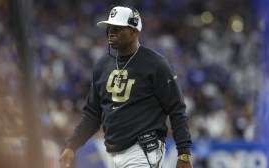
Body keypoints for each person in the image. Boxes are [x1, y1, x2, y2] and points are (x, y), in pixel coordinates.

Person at [59, 6, 193, 168]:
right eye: (109, 28)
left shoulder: (157, 65)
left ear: (134, 32)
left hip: (144, 149)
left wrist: (184, 152)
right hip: (112, 151)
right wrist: (72, 145)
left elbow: (176, 110)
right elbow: (92, 114)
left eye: (117, 28)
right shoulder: (102, 65)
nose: (111, 32)